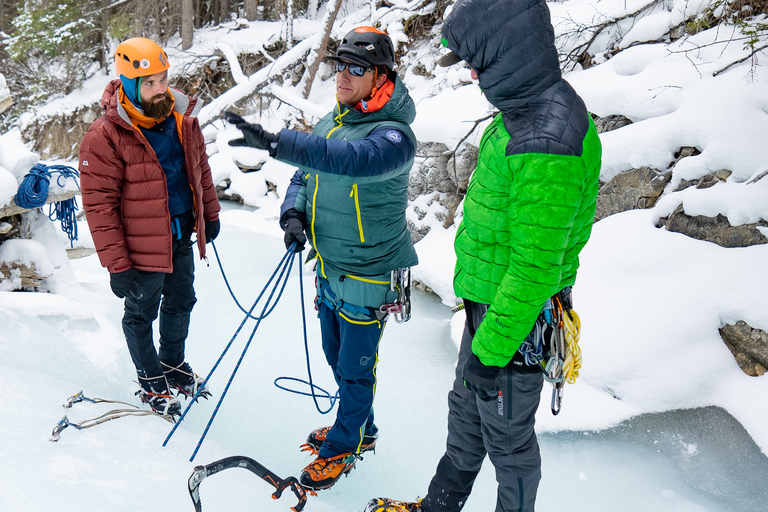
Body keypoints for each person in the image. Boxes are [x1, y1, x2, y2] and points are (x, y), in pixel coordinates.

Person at [365, 0, 602, 511]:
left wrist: (490, 354)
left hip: (514, 325)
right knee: (466, 418)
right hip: (487, 309)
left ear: (507, 52)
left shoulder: (546, 140)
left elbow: (535, 268)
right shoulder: (527, 109)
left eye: (477, 61)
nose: (471, 73)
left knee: (509, 444)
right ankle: (439, 506)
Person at [224, 26, 418, 491]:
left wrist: (276, 141)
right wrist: (293, 211)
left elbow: (349, 161)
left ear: (381, 76)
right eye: (339, 65)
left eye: (356, 68)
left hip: (371, 273)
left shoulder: (395, 136)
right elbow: (306, 174)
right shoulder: (332, 122)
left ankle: (344, 446)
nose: (343, 76)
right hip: (329, 267)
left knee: (354, 368)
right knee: (337, 357)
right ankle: (361, 428)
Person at [79, 37, 221, 417]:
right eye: (149, 83)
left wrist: (210, 213)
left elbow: (200, 170)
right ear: (128, 84)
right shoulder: (104, 136)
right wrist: (117, 264)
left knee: (181, 302)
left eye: (162, 79)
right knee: (141, 314)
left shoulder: (181, 119)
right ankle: (150, 381)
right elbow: (99, 207)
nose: (160, 89)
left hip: (179, 237)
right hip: (138, 248)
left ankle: (173, 366)